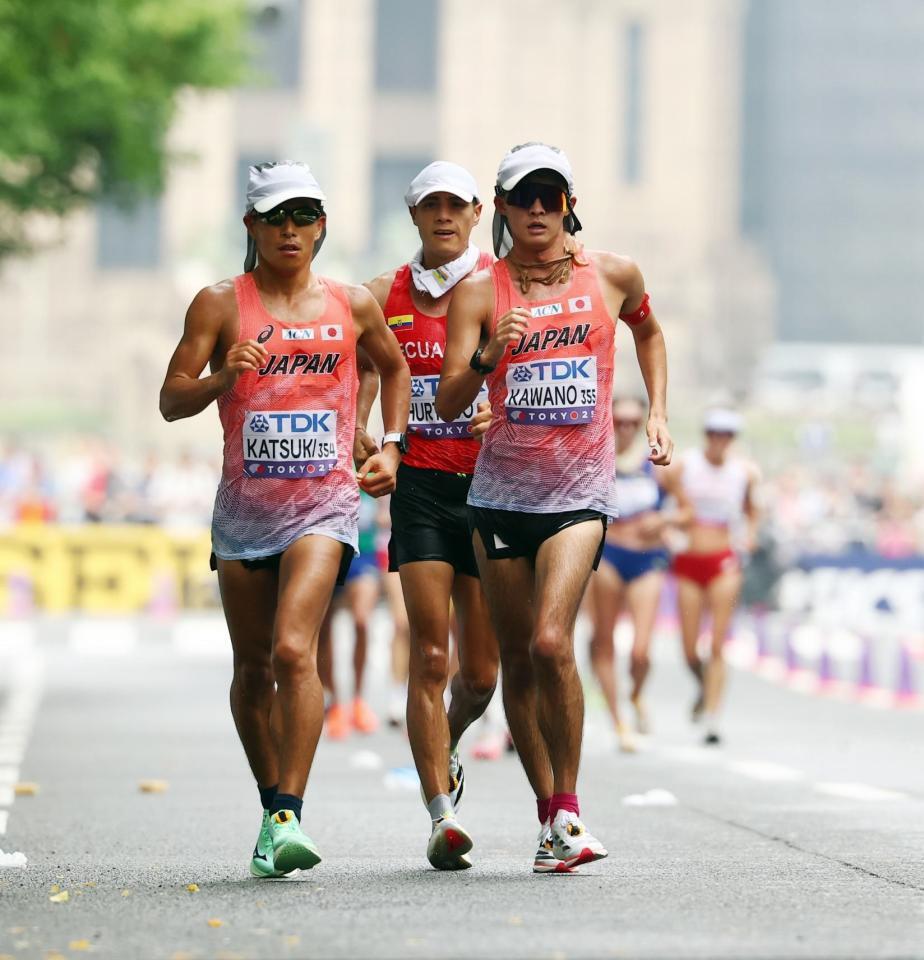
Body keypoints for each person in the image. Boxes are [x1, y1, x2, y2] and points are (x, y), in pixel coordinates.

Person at [158, 161, 410, 877]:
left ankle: (289, 812)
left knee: (296, 651)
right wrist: (221, 379)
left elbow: (393, 368)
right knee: (254, 666)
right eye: (276, 217)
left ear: (323, 225)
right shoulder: (218, 305)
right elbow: (170, 401)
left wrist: (391, 445)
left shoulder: (352, 303)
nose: (290, 230)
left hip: (325, 506)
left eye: (304, 216)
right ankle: (270, 805)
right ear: (252, 227)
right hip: (243, 512)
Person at [436, 141, 673, 873]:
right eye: (523, 197)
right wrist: (486, 358)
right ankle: (549, 823)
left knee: (548, 642)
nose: (537, 209)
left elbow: (649, 330)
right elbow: (446, 402)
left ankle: (570, 807)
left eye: (550, 195)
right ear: (501, 209)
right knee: (515, 660)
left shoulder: (612, 275)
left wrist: (659, 411)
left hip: (579, 494)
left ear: (568, 202)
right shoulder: (479, 292)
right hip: (501, 497)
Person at [361, 161, 511, 870]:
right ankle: (439, 816)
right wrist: (368, 441)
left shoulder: (502, 290)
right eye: (431, 206)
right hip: (418, 489)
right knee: (429, 653)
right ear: (413, 215)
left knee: (480, 676)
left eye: (456, 205)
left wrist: (501, 412)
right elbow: (357, 384)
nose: (444, 216)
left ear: (477, 213)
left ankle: (445, 739)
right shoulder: (381, 295)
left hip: (487, 492)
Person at [589, 396, 691, 752]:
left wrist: (663, 519)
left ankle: (635, 694)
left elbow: (687, 511)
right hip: (610, 555)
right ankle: (618, 722)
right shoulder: (596, 459)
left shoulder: (657, 465)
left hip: (647, 558)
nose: (627, 429)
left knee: (640, 652)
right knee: (604, 641)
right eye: (620, 421)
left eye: (634, 422)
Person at [668, 408, 759, 745]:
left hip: (723, 561)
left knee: (718, 644)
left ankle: (712, 717)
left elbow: (752, 510)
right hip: (690, 559)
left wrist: (750, 534)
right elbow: (666, 499)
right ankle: (703, 685)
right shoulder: (686, 466)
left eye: (727, 435)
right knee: (690, 649)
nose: (720, 441)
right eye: (714, 434)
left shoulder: (743, 473)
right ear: (706, 435)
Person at [317, 491, 382, 739]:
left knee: (362, 620)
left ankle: (357, 700)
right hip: (327, 548)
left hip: (363, 552)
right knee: (323, 629)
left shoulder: (367, 456)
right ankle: (334, 701)